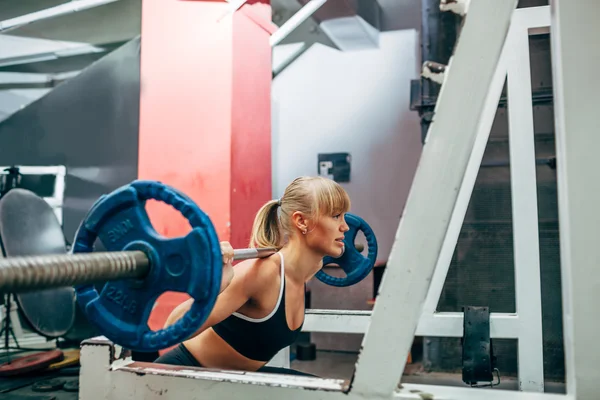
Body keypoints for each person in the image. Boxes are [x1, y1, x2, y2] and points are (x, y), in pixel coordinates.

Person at [154, 176, 350, 374]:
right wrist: (214, 287)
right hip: (184, 377)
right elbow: (172, 329)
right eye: (336, 216)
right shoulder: (261, 274)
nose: (346, 227)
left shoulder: (305, 271)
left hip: (235, 382)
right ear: (300, 221)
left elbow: (315, 259)